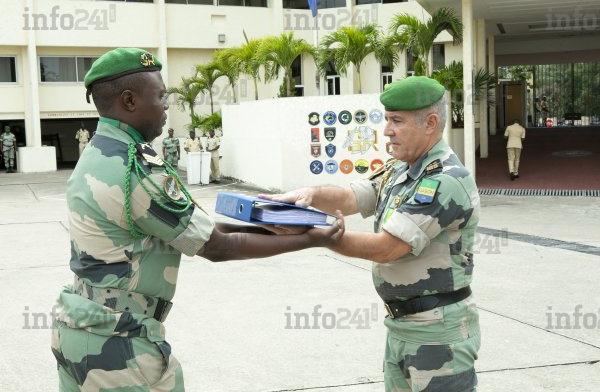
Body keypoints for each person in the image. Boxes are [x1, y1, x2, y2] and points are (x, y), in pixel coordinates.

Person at [50, 47, 344, 391]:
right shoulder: (137, 169)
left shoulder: (98, 153)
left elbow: (194, 229)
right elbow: (216, 246)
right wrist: (313, 238)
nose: (165, 106)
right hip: (117, 346)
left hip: (79, 326)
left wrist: (268, 226)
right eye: (160, 97)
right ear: (129, 101)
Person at [261, 76, 481, 392]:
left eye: (397, 121)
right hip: (403, 328)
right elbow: (352, 197)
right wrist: (308, 195)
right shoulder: (400, 169)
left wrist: (315, 235)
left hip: (438, 335)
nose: (387, 130)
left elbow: (387, 248)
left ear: (430, 124)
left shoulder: (445, 180)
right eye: (386, 119)